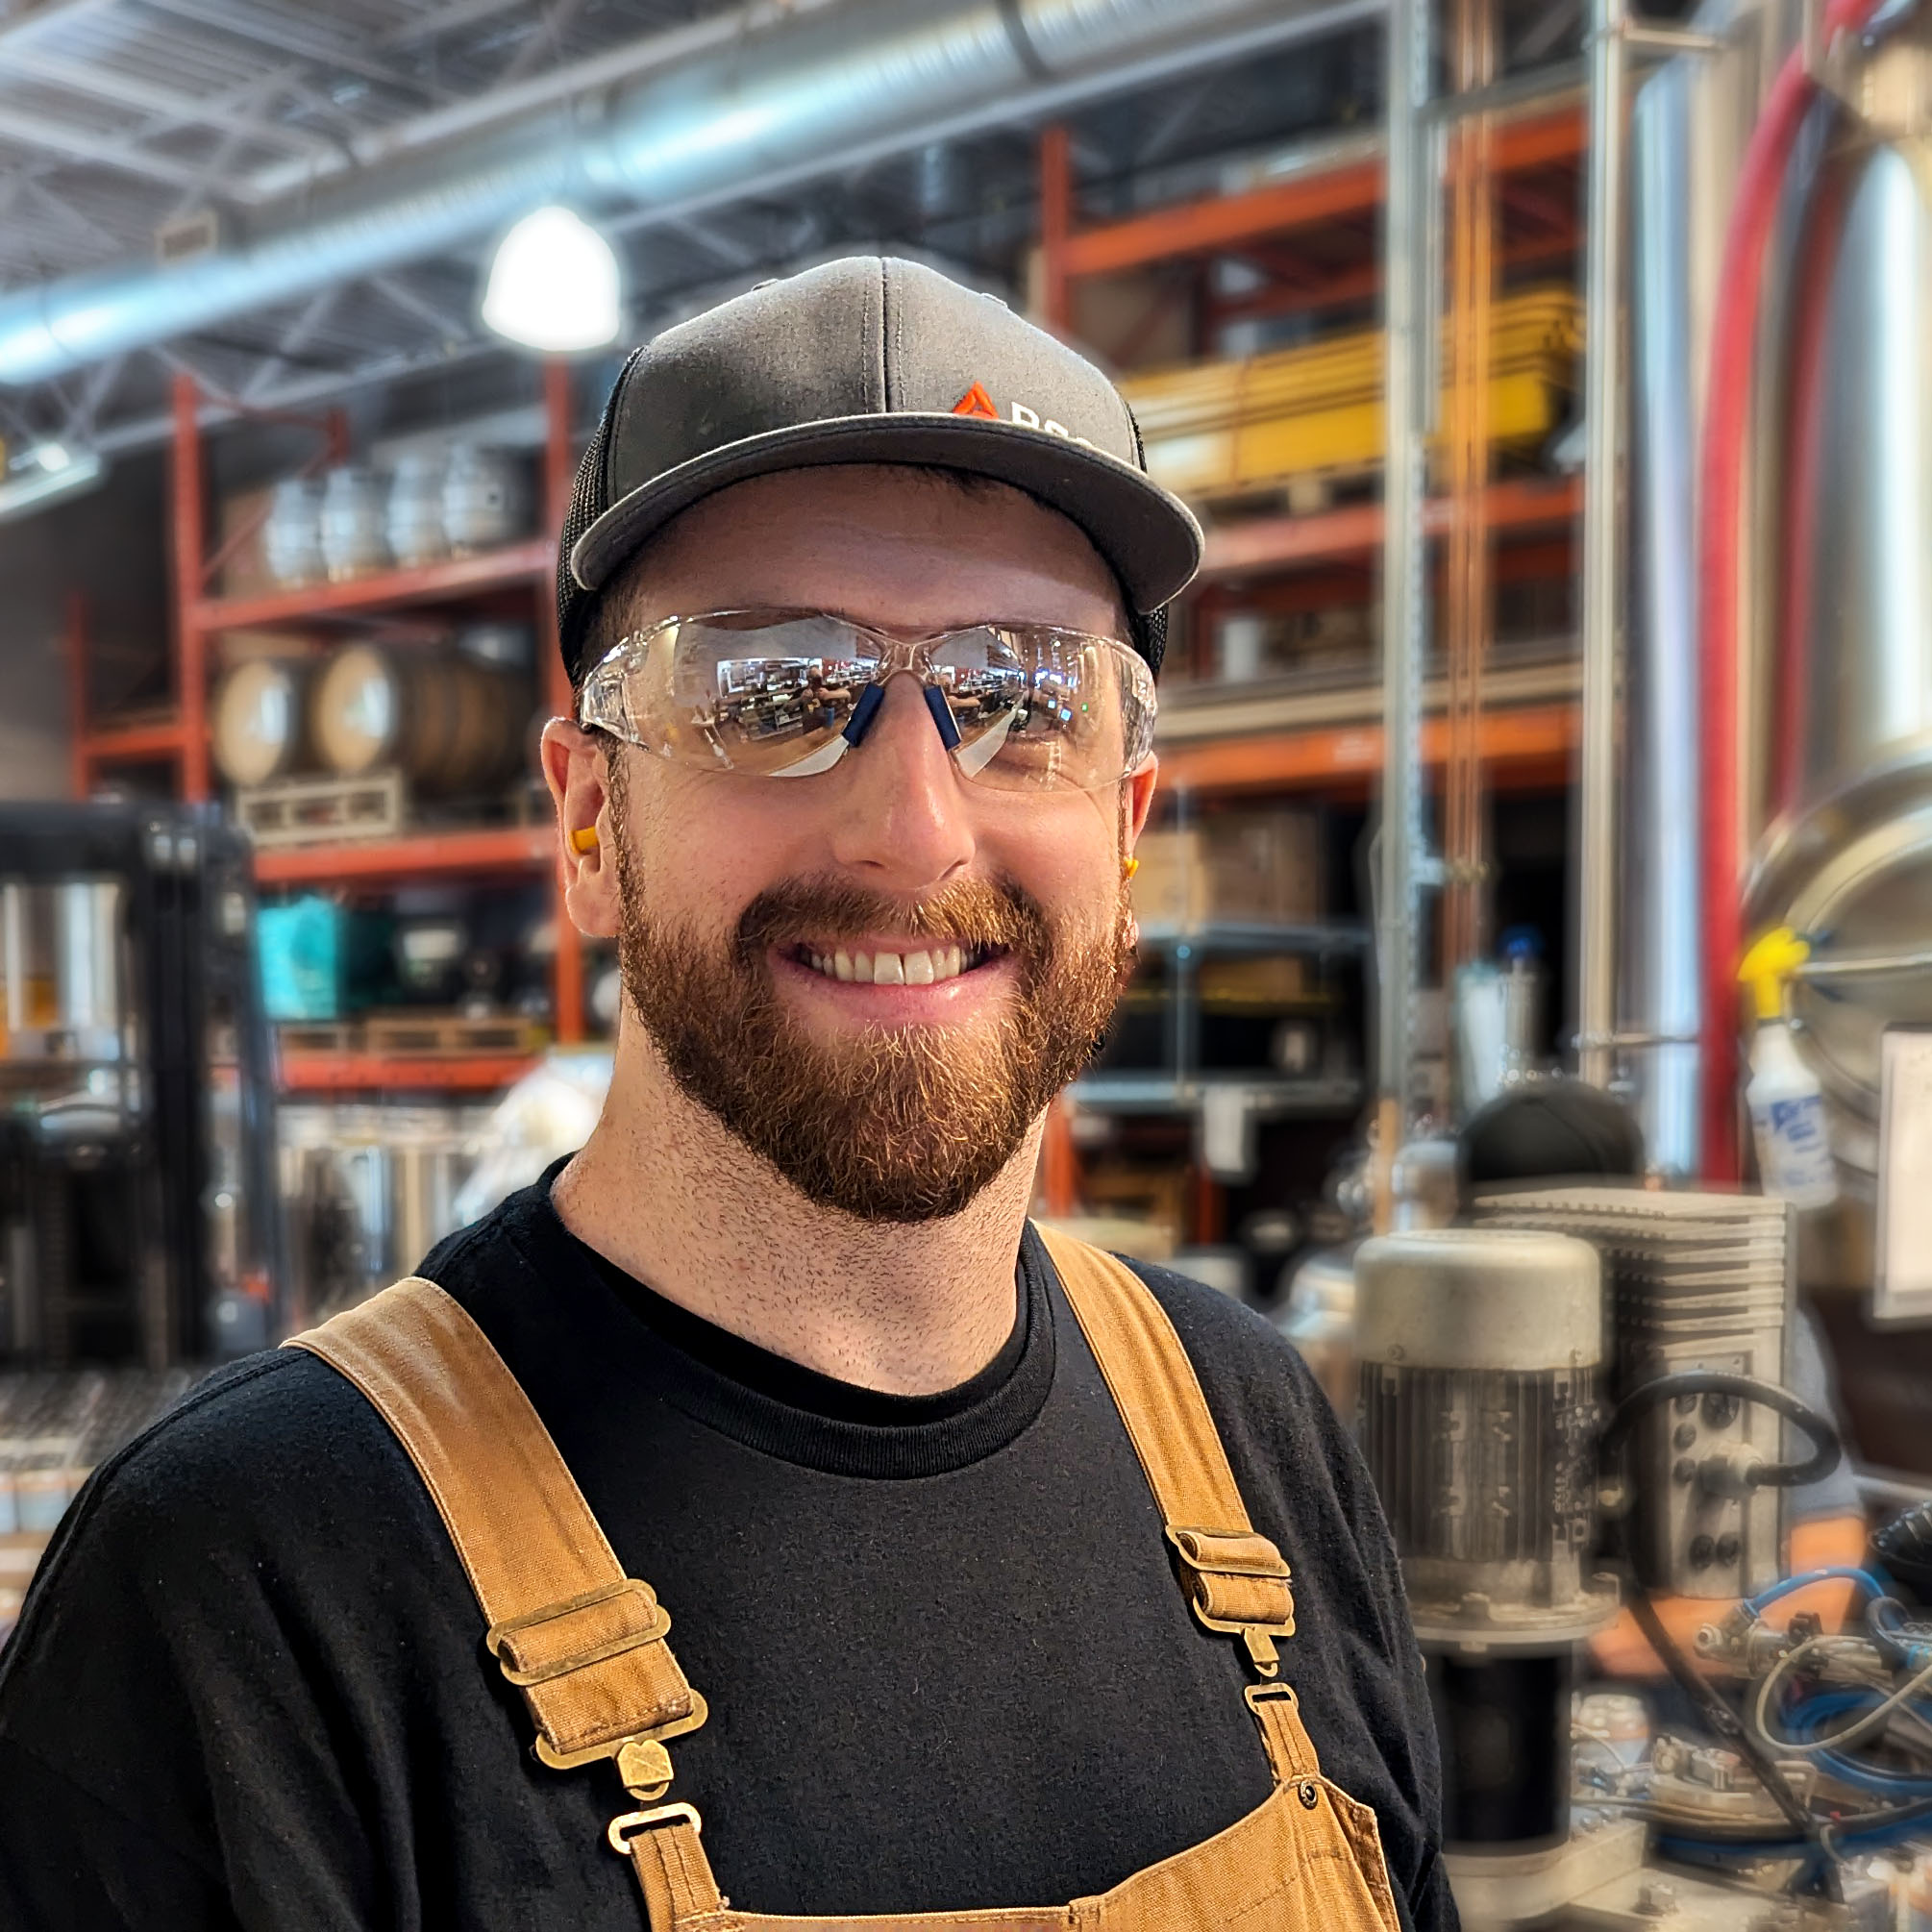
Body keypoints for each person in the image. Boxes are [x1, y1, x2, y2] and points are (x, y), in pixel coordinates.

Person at [0, 259, 1452, 1931]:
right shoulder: (245, 1597)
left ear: (1127, 825)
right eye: (773, 692)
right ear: (590, 821)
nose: (914, 828)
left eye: (1021, 698)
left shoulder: (1254, 1437)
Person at [1457, 1077, 1868, 1679]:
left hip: (1681, 1714)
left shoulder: (1736, 1321)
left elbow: (1819, 1591)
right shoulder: (1437, 1346)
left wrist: (1591, 1645)